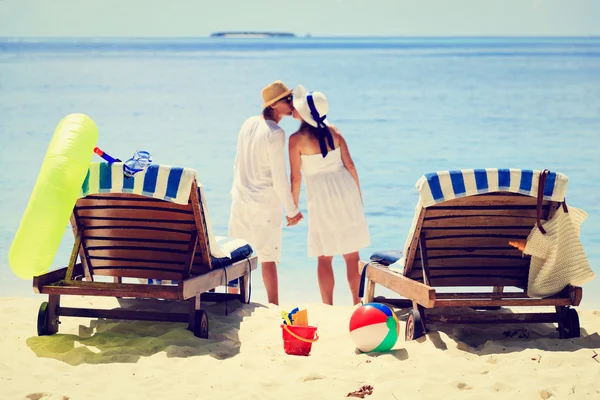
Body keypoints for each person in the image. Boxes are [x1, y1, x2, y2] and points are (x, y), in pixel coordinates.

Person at [288, 85, 370, 305]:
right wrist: (358, 195)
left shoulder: (295, 140)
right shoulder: (334, 131)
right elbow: (350, 165)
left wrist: (292, 209)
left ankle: (328, 306)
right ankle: (356, 303)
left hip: (321, 196)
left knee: (324, 256)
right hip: (345, 189)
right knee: (352, 254)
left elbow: (296, 178)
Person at [228, 80, 303, 305]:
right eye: (287, 99)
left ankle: (232, 303)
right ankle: (273, 307)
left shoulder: (248, 123)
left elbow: (237, 162)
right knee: (268, 257)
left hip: (240, 200)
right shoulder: (276, 132)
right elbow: (279, 178)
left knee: (237, 258)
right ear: (273, 106)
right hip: (264, 204)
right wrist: (292, 210)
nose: (291, 102)